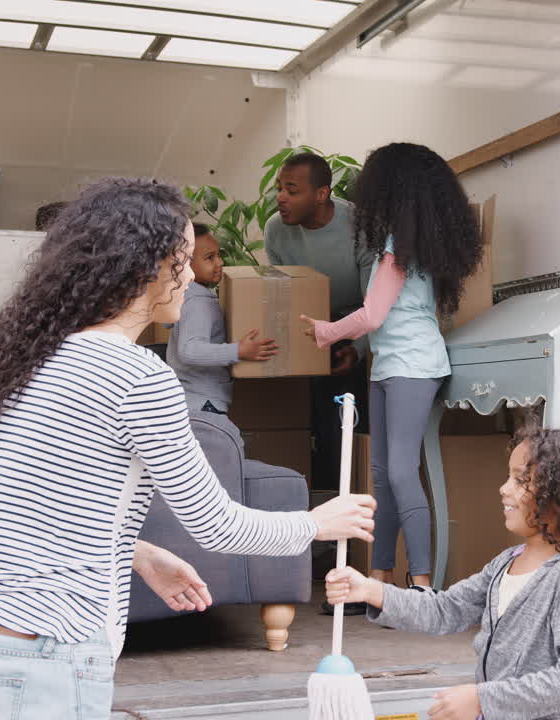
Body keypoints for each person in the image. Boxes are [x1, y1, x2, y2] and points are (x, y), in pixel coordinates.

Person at [0, 177, 376, 720]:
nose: (190, 276)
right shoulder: (139, 375)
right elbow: (218, 526)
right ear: (142, 267)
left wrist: (134, 551)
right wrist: (317, 523)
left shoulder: (30, 357)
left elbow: (43, 501)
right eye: (182, 260)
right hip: (45, 657)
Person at [325, 427, 560, 720]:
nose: (504, 488)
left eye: (521, 480)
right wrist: (371, 590)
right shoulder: (507, 561)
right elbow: (445, 610)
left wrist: (481, 698)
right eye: (509, 476)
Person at [301, 142, 483, 589]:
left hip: (412, 366)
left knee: (400, 472)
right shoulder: (410, 245)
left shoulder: (398, 248)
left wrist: (326, 332)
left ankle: (420, 584)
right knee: (382, 476)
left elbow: (373, 315)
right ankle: (379, 579)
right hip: (391, 365)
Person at [264, 153, 374, 492]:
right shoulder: (275, 230)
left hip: (360, 325)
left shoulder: (361, 226)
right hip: (309, 326)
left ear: (322, 194)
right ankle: (321, 501)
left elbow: (378, 304)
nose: (281, 197)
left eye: (292, 190)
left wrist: (357, 348)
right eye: (279, 188)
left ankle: (356, 492)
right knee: (317, 422)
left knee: (353, 418)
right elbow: (284, 296)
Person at [166, 223, 278, 415]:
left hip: (191, 398)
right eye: (210, 257)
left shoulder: (187, 295)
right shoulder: (198, 302)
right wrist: (239, 350)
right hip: (202, 401)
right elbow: (190, 351)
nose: (220, 263)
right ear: (184, 263)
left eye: (218, 255)